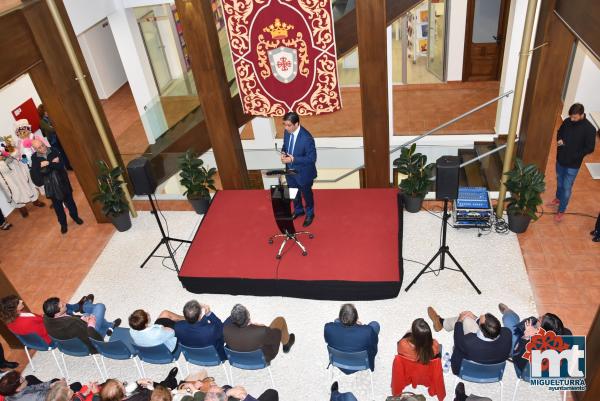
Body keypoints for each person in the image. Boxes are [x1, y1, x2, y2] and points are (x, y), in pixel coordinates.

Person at [427, 307, 511, 375]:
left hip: (464, 370)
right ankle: (442, 322)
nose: (480, 317)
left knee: (465, 320)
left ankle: (441, 322)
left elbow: (457, 338)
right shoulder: (507, 334)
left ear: (481, 329)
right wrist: (475, 318)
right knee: (468, 318)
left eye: (480, 319)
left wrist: (459, 320)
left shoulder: (468, 341)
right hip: (493, 371)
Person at [549, 103, 596, 222]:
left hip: (573, 164)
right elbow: (560, 131)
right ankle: (558, 198)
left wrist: (575, 155)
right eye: (571, 117)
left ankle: (561, 210)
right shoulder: (567, 121)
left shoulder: (590, 129)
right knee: (559, 182)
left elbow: (590, 148)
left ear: (581, 115)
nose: (571, 119)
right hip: (561, 159)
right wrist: (559, 139)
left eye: (574, 117)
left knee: (566, 188)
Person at [498, 303, 571, 374]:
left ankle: (508, 312)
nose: (538, 317)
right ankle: (512, 316)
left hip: (523, 362)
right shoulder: (567, 333)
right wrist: (536, 332)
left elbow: (517, 359)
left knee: (508, 320)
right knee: (532, 319)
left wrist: (526, 337)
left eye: (540, 320)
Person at [30, 139, 82, 234]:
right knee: (58, 208)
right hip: (51, 187)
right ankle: (63, 225)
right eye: (39, 148)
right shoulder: (34, 158)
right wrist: (53, 164)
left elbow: (61, 166)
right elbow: (36, 175)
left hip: (63, 182)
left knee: (70, 202)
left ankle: (75, 217)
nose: (42, 148)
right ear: (35, 149)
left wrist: (48, 164)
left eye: (42, 145)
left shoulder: (54, 150)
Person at [0, 294, 94, 344]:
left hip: (38, 339)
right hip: (50, 337)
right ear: (14, 308)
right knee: (58, 307)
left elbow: (39, 320)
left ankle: (78, 307)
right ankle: (81, 308)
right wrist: (52, 316)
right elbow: (46, 325)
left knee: (56, 306)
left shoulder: (10, 320)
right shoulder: (26, 320)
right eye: (18, 302)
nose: (21, 301)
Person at [42, 297, 120, 353]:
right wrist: (91, 324)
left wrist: (82, 318)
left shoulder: (46, 317)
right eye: (62, 306)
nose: (65, 304)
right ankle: (107, 327)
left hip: (72, 340)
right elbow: (91, 338)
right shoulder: (72, 323)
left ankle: (108, 326)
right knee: (100, 306)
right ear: (57, 314)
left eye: (62, 302)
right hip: (89, 340)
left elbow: (73, 321)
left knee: (87, 314)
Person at [280, 112, 317, 227]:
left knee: (307, 195)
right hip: (290, 171)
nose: (286, 128)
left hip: (304, 173)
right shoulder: (287, 132)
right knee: (293, 193)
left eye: (289, 125)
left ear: (297, 124)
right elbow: (285, 145)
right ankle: (298, 210)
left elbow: (312, 159)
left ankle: (310, 213)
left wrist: (293, 159)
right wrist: (283, 152)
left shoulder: (307, 138)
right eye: (284, 125)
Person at [223, 304, 295, 364]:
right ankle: (286, 344)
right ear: (248, 317)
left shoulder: (225, 330)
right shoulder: (261, 330)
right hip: (262, 358)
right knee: (280, 320)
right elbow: (275, 338)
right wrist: (265, 328)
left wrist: (252, 327)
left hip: (238, 358)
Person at [324, 303, 379, 373]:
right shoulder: (368, 331)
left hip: (338, 361)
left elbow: (327, 340)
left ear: (340, 317)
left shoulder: (328, 327)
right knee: (375, 324)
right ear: (356, 317)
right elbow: (374, 346)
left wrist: (338, 322)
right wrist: (360, 327)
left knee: (336, 322)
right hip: (362, 364)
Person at [0, 370, 81, 401]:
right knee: (76, 385)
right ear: (18, 389)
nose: (23, 377)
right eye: (22, 379)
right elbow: (50, 397)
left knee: (30, 377)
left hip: (41, 395)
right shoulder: (32, 398)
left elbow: (33, 387)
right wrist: (60, 387)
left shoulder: (11, 394)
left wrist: (50, 385)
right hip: (48, 398)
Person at [37, 104, 72, 171]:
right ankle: (66, 167)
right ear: (42, 113)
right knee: (60, 154)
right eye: (45, 111)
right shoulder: (42, 122)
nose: (47, 112)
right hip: (53, 141)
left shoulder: (50, 117)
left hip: (59, 138)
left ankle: (68, 165)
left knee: (65, 152)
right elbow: (51, 130)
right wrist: (55, 127)